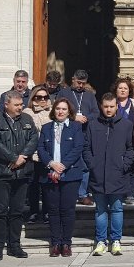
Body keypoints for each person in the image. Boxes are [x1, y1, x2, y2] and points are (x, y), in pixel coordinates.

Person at [0, 90, 39, 261]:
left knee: (17, 211)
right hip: (2, 173)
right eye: (16, 105)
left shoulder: (27, 119)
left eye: (21, 104)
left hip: (22, 173)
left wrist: (22, 158)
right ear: (6, 104)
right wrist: (13, 158)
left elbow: (33, 139)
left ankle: (15, 245)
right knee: (1, 211)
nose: (20, 108)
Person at [85, 93, 134, 256]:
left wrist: (124, 165)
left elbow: (131, 148)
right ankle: (100, 240)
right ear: (101, 106)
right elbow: (86, 148)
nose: (108, 109)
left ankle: (116, 240)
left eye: (111, 106)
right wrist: (92, 164)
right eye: (106, 106)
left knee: (117, 208)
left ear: (116, 107)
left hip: (117, 174)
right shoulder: (93, 125)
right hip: (98, 174)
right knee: (100, 209)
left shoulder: (126, 125)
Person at [37, 98, 86, 257]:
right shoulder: (46, 128)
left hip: (70, 175)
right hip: (49, 173)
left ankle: (66, 243)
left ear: (69, 111)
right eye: (58, 108)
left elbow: (78, 148)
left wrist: (62, 165)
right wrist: (51, 164)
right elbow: (41, 149)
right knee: (53, 210)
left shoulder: (76, 127)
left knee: (67, 209)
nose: (60, 112)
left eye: (64, 109)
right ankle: (55, 242)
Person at [67, 70, 99, 205]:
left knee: (85, 165)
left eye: (83, 83)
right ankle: (70, 193)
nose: (80, 86)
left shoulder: (89, 95)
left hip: (85, 134)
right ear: (72, 80)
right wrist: (74, 117)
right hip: (68, 133)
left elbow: (96, 112)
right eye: (78, 82)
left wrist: (86, 118)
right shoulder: (65, 93)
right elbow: (58, 110)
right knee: (69, 164)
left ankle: (82, 193)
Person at [25, 86, 53, 224]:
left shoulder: (53, 111)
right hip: (32, 154)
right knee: (33, 185)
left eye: (45, 97)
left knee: (47, 184)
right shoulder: (27, 112)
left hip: (48, 154)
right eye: (39, 97)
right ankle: (33, 211)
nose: (42, 100)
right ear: (33, 98)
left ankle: (47, 212)